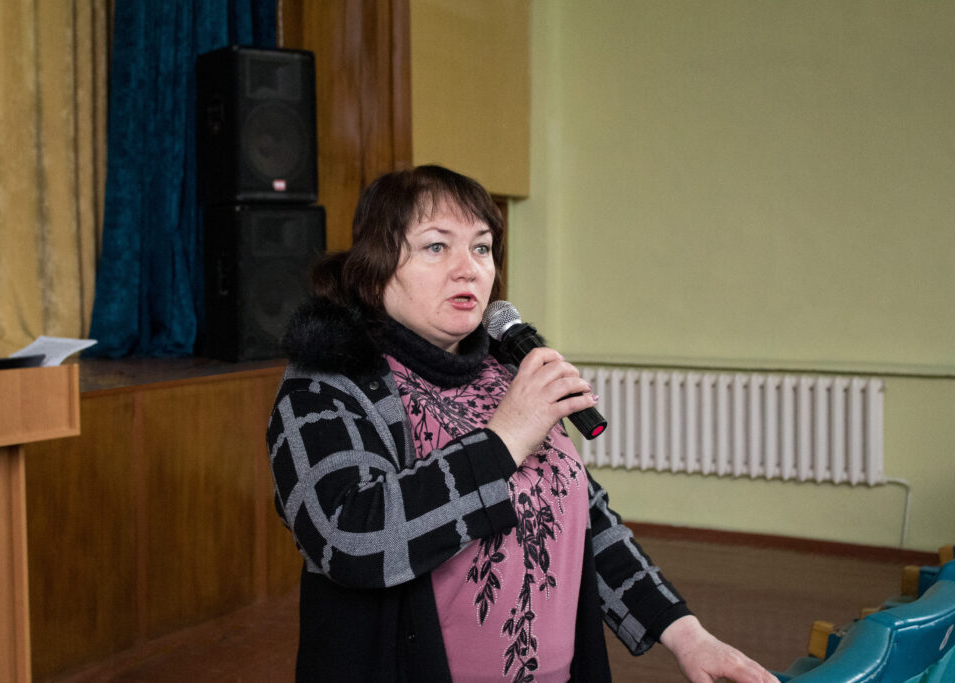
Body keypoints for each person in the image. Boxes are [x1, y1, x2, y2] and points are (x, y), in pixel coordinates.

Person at [266, 165, 777, 682]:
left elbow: (585, 520)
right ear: (373, 269)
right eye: (436, 247)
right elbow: (350, 537)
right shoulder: (326, 383)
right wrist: (504, 439)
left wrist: (687, 635)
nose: (468, 269)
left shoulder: (506, 370)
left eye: (482, 247)